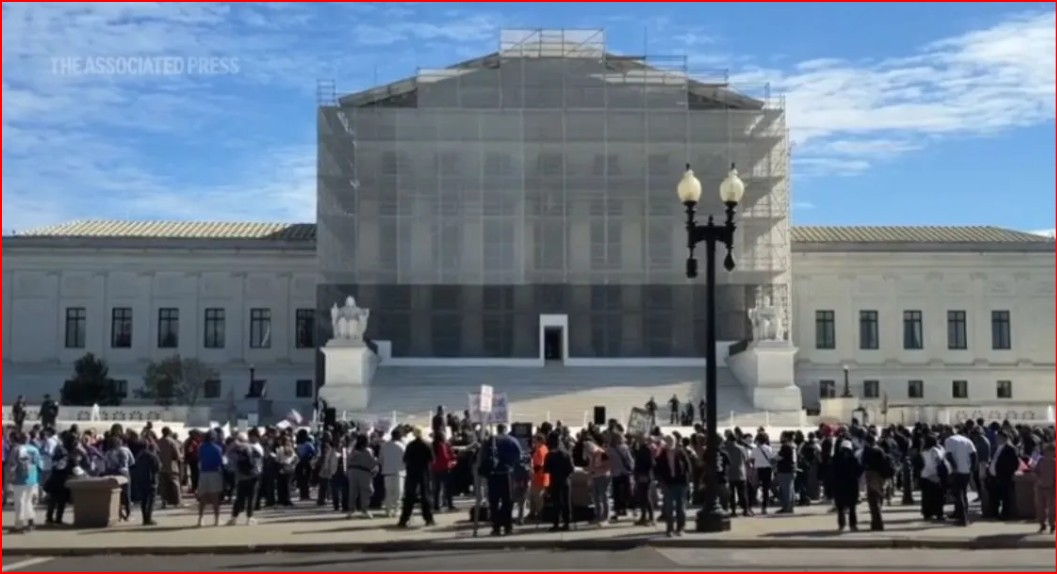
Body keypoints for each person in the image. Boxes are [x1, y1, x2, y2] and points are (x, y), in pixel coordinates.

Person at [398, 427, 435, 529]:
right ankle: (428, 519)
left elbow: (405, 459)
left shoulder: (410, 445)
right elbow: (432, 459)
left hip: (412, 472)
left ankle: (404, 519)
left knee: (409, 496)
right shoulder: (427, 445)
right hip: (424, 472)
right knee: (425, 496)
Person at [655, 436, 691, 537]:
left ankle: (680, 528)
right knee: (668, 507)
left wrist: (687, 482)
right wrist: (661, 482)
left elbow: (688, 467)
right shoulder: (662, 454)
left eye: (672, 441)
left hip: (680, 483)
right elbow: (658, 469)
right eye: (668, 441)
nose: (670, 443)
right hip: (668, 483)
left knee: (680, 507)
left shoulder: (680, 452)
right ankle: (669, 529)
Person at [943, 427, 978, 527]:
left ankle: (963, 518)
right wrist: (972, 469)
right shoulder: (967, 440)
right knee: (963, 493)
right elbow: (974, 455)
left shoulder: (949, 440)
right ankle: (963, 515)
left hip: (956, 471)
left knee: (958, 494)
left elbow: (949, 455)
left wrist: (954, 467)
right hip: (966, 470)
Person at [228, 431, 264, 526]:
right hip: (253, 476)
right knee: (252, 497)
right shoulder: (254, 447)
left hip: (241, 477)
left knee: (239, 498)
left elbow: (229, 456)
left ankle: (234, 518)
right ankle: (249, 518)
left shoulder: (236, 450)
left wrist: (234, 444)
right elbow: (260, 458)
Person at [8, 432, 42, 534]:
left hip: (20, 479)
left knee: (19, 502)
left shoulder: (17, 449)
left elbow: (12, 465)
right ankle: (31, 523)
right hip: (32, 478)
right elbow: (39, 464)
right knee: (30, 502)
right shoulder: (34, 449)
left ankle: (19, 526)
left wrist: (10, 478)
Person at [543, 432, 574, 532]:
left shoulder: (549, 455)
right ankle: (567, 522)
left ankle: (556, 523)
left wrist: (546, 485)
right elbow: (571, 469)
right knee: (566, 502)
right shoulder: (566, 454)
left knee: (555, 502)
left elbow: (546, 471)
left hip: (554, 481)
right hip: (565, 480)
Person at [831, 440, 862, 532]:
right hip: (850, 486)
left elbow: (832, 473)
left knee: (843, 507)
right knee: (849, 507)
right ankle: (851, 525)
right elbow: (859, 472)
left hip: (841, 486)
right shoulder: (853, 460)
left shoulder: (836, 460)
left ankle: (844, 525)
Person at [195, 431, 225, 528]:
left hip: (203, 473)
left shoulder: (201, 447)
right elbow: (221, 462)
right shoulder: (218, 448)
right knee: (215, 497)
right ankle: (216, 520)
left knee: (203, 497)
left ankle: (200, 519)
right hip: (214, 473)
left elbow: (199, 459)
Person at [347, 434, 377, 519]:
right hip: (363, 472)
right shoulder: (368, 451)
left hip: (352, 471)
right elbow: (372, 463)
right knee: (366, 491)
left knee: (353, 492)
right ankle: (365, 510)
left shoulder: (353, 451)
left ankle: (351, 510)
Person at [133, 439, 162, 526]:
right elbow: (158, 468)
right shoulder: (152, 456)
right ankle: (148, 518)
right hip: (151, 479)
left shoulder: (138, 457)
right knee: (151, 500)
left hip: (141, 480)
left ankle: (144, 518)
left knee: (144, 500)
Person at [379, 428, 406, 518]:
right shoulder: (402, 446)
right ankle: (397, 510)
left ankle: (388, 510)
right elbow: (406, 459)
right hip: (399, 472)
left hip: (387, 472)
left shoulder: (384, 446)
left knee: (388, 493)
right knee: (398, 493)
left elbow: (380, 459)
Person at [1034, 443, 1055, 535]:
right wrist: (1038, 479)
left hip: (1051, 488)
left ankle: (1052, 524)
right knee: (1040, 507)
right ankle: (1042, 524)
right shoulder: (1040, 461)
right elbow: (1036, 471)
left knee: (1052, 508)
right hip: (1040, 487)